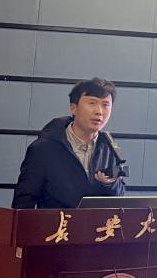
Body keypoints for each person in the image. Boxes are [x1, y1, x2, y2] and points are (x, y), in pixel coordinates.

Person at [12, 77, 127, 209]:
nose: (99, 111)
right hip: (57, 222)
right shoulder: (43, 149)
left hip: (97, 222)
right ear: (73, 108)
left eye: (105, 105)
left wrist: (109, 184)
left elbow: (119, 200)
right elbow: (23, 201)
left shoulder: (110, 148)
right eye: (92, 103)